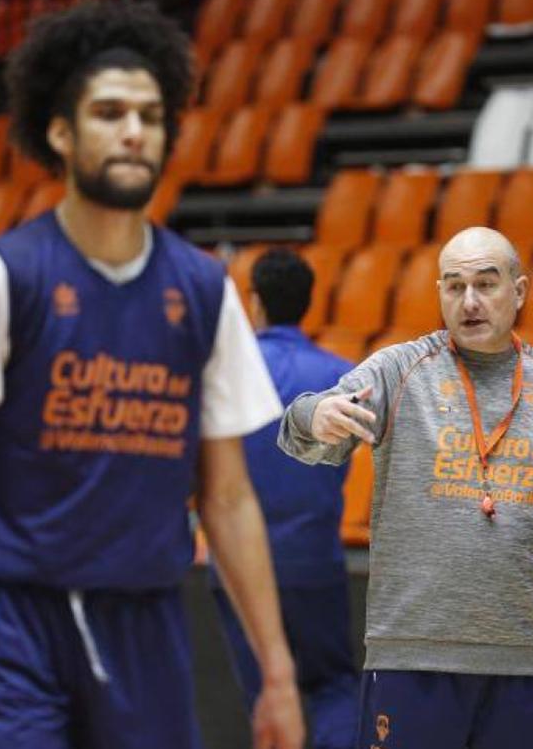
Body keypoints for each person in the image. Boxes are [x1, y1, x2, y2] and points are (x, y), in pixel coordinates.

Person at [0, 0, 303, 749]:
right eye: (109, 112)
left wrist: (276, 672)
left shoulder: (205, 291)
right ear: (60, 132)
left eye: (150, 114)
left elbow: (229, 497)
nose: (135, 130)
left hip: (146, 622)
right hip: (13, 626)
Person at [278, 226, 533, 749]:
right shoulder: (401, 369)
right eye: (454, 287)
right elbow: (307, 429)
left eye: (486, 284)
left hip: (522, 659)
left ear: (520, 291)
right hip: (412, 656)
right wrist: (314, 414)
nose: (470, 301)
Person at [209, 248, 357, 749]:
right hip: (315, 559)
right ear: (309, 303)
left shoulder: (224, 374)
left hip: (236, 564)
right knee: (335, 685)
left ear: (254, 303)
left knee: (263, 695)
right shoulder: (344, 377)